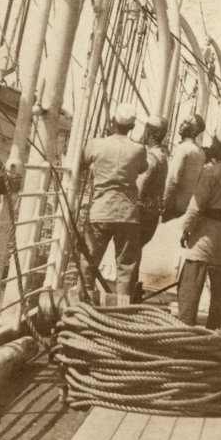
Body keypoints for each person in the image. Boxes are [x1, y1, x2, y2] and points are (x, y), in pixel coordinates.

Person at [176, 129, 221, 330]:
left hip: (204, 234)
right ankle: (213, 329)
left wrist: (186, 229)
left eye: (214, 143)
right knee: (219, 289)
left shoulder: (210, 173)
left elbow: (196, 207)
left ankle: (184, 327)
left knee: (191, 284)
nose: (211, 146)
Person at [79, 103, 147, 302]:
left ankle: (83, 304)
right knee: (125, 266)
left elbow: (81, 163)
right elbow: (142, 168)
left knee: (89, 261)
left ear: (112, 122)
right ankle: (121, 309)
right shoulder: (139, 149)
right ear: (132, 127)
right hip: (128, 214)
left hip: (101, 211)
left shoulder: (95, 144)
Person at [130, 114, 169, 301]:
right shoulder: (163, 156)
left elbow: (139, 190)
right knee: (135, 253)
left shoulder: (151, 158)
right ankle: (132, 291)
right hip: (152, 214)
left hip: (142, 213)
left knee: (129, 255)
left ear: (148, 132)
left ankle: (128, 295)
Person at [161, 114, 206, 222]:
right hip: (187, 205)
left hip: (173, 205)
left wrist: (163, 202)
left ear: (192, 130)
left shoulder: (183, 149)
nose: (180, 125)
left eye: (185, 123)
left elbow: (173, 179)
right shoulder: (200, 152)